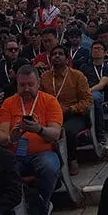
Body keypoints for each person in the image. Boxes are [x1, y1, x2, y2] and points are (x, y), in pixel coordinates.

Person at [0, 65, 63, 210]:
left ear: (38, 83)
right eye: (22, 85)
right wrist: (12, 137)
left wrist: (39, 129)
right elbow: (1, 136)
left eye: (30, 85)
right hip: (14, 153)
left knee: (49, 167)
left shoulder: (50, 101)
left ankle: (41, 205)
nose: (26, 89)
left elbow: (55, 134)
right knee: (2, 171)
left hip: (43, 152)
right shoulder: (8, 103)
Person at [39, 45, 93, 176]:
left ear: (67, 58)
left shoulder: (77, 76)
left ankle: (71, 159)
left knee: (67, 131)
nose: (57, 56)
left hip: (73, 114)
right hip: (51, 115)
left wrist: (71, 110)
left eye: (60, 54)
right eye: (54, 54)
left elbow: (87, 100)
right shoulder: (45, 77)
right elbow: (39, 97)